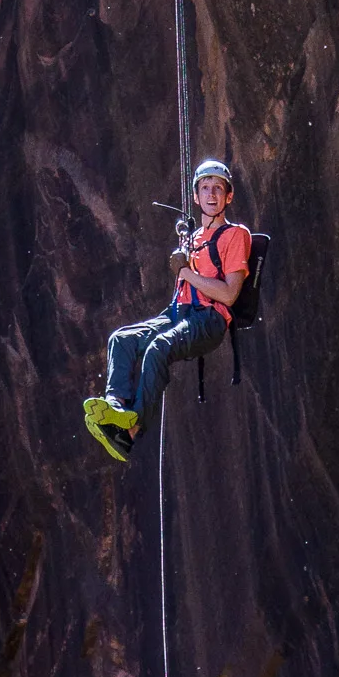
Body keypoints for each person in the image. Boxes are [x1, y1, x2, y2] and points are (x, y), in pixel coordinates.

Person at [84, 158, 251, 461]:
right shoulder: (193, 238)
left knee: (158, 348)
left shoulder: (235, 235)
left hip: (210, 319)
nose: (211, 194)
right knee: (121, 339)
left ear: (229, 196)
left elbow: (228, 294)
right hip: (178, 313)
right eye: (205, 188)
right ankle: (116, 409)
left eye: (218, 188)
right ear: (196, 197)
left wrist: (186, 272)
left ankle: (130, 431)